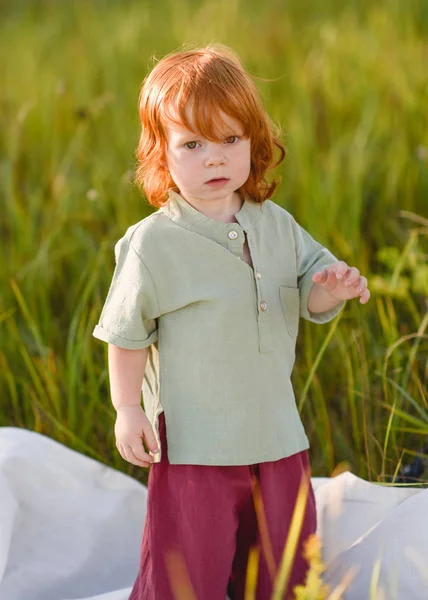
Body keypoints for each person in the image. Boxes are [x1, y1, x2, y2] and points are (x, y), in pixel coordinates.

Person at [92, 44, 370, 600]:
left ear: (254, 142)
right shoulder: (155, 244)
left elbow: (310, 293)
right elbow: (125, 335)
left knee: (284, 566)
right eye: (192, 144)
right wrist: (127, 409)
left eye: (230, 140)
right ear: (160, 154)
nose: (215, 159)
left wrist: (329, 288)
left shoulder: (276, 224)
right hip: (196, 444)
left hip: (276, 437)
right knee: (190, 568)